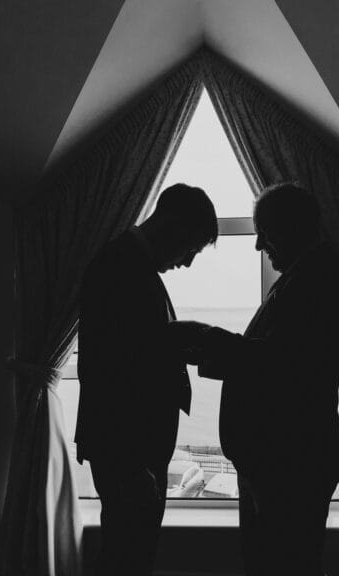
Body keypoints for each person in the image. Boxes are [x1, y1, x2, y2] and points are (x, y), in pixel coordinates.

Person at [167, 182, 339, 576]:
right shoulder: (307, 276)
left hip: (290, 465)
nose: (258, 246)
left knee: (285, 565)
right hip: (277, 462)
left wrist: (204, 338)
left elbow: (281, 365)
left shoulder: (324, 279)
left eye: (265, 233)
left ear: (293, 227)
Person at [74, 183, 218, 576]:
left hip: (132, 450)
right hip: (128, 452)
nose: (187, 263)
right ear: (173, 225)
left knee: (129, 554)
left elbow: (135, 352)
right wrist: (132, 464)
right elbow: (106, 373)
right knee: (127, 558)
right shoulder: (120, 267)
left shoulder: (127, 263)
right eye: (191, 249)